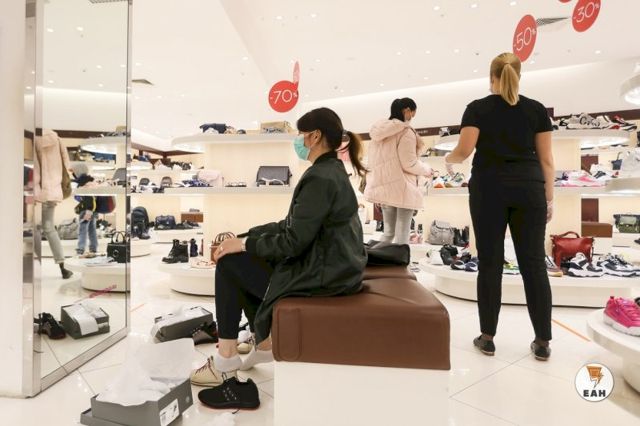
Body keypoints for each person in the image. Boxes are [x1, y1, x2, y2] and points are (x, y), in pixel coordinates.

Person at [192, 108, 367, 409]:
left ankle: (226, 361)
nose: (299, 140)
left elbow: (292, 242)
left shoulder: (321, 177)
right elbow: (292, 226)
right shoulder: (330, 171)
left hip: (324, 275)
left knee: (230, 265)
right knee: (241, 259)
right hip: (331, 265)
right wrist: (245, 238)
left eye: (302, 134)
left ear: (315, 136)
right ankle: (261, 342)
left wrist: (243, 245)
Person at [444, 52, 555, 361]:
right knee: (534, 264)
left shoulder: (477, 108)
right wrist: (549, 197)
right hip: (529, 189)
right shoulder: (536, 110)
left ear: (491, 76)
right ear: (519, 75)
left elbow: (464, 151)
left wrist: (447, 159)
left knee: (490, 263)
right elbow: (546, 159)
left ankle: (488, 338)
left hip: (489, 188)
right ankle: (543, 341)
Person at [364, 97, 432, 244]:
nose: (412, 117)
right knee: (402, 234)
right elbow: (409, 163)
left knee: (388, 233)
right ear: (407, 110)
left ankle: (374, 257)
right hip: (403, 189)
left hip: (384, 188)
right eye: (413, 113)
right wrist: (427, 170)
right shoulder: (406, 132)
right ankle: (400, 259)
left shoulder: (378, 133)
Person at [34, 129, 73, 279]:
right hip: (53, 190)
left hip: (37, 191)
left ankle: (29, 267)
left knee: (31, 229)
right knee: (50, 229)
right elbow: (66, 163)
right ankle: (63, 267)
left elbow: (35, 169)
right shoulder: (56, 138)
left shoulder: (33, 139)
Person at [71, 163, 98, 258]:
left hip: (87, 210)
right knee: (92, 230)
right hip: (93, 210)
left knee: (82, 230)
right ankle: (93, 249)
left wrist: (88, 210)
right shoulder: (91, 181)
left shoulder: (84, 183)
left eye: (74, 172)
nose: (73, 174)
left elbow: (88, 198)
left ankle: (80, 250)